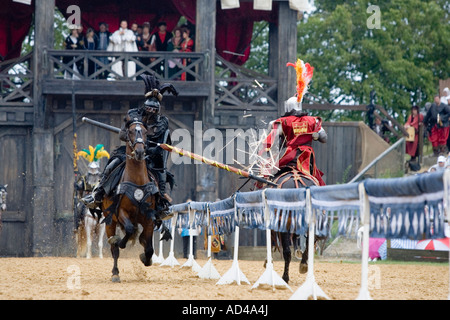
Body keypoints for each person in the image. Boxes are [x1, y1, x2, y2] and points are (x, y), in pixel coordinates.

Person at [81, 73, 178, 220]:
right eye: (149, 109)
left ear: (157, 110)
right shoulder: (133, 115)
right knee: (111, 165)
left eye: (154, 110)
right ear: (145, 107)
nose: (150, 112)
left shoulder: (162, 122)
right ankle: (97, 194)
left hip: (151, 155)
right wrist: (134, 139)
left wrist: (152, 149)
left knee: (161, 175)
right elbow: (121, 135)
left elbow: (164, 143)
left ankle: (162, 206)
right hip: (130, 151)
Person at [260, 58, 327, 186]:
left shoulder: (282, 122)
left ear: (288, 108)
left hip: (287, 159)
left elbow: (269, 142)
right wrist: (316, 135)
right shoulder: (312, 121)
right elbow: (324, 137)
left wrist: (266, 159)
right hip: (307, 161)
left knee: (266, 181)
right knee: (319, 183)